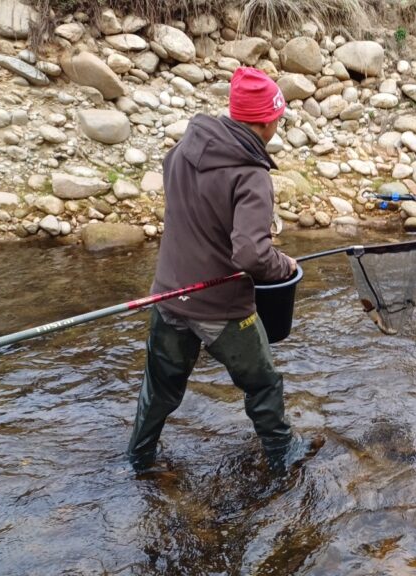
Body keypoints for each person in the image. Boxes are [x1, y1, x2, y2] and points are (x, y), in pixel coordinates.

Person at [127, 67, 305, 473]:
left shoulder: (181, 151)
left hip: (169, 295)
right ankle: (284, 457)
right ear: (266, 120)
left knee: (159, 390)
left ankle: (139, 457)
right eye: (278, 117)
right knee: (263, 384)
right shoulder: (251, 174)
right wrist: (284, 265)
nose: (278, 124)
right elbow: (252, 256)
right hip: (221, 308)